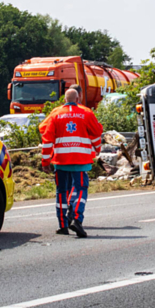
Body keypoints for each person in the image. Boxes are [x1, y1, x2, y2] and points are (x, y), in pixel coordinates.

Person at [39, 88, 103, 238]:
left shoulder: (55, 114)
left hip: (60, 160)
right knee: (81, 188)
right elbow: (97, 132)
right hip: (80, 160)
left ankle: (63, 225)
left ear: (64, 100)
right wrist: (97, 148)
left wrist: (45, 161)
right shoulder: (86, 112)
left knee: (61, 191)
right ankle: (77, 218)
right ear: (78, 99)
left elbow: (46, 136)